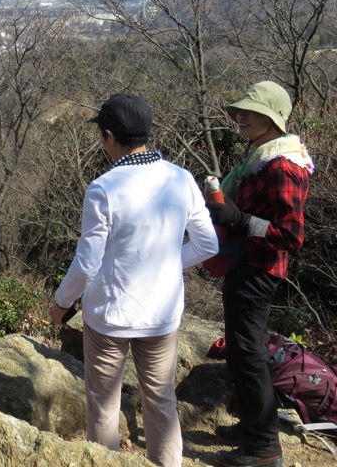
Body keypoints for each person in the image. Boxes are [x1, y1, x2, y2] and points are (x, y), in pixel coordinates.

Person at [49, 93, 218, 467]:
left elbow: (87, 263)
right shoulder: (181, 178)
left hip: (110, 315)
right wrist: (170, 262)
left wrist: (61, 304)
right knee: (161, 399)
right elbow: (208, 243)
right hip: (162, 314)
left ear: (109, 136)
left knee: (104, 404)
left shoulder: (104, 188)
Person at [206, 81, 314, 467]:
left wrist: (239, 219)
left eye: (250, 111)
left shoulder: (283, 165)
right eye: (239, 110)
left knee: (249, 353)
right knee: (242, 349)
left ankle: (265, 448)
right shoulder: (261, 154)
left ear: (272, 118)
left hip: (259, 269)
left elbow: (290, 235)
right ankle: (254, 426)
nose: (240, 116)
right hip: (247, 264)